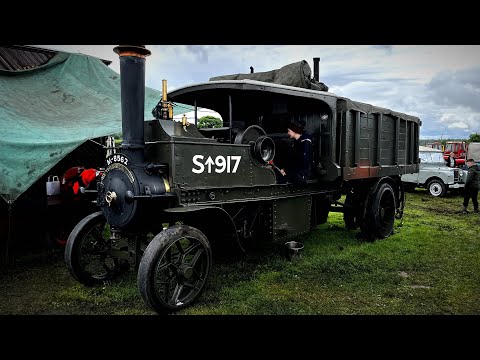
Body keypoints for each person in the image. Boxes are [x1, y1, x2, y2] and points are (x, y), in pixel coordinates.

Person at [278, 119, 314, 184]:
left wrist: (287, 171)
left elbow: (303, 162)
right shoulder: (295, 143)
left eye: (289, 131)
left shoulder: (305, 143)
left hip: (302, 175)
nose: (288, 133)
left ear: (294, 131)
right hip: (296, 173)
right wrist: (285, 169)